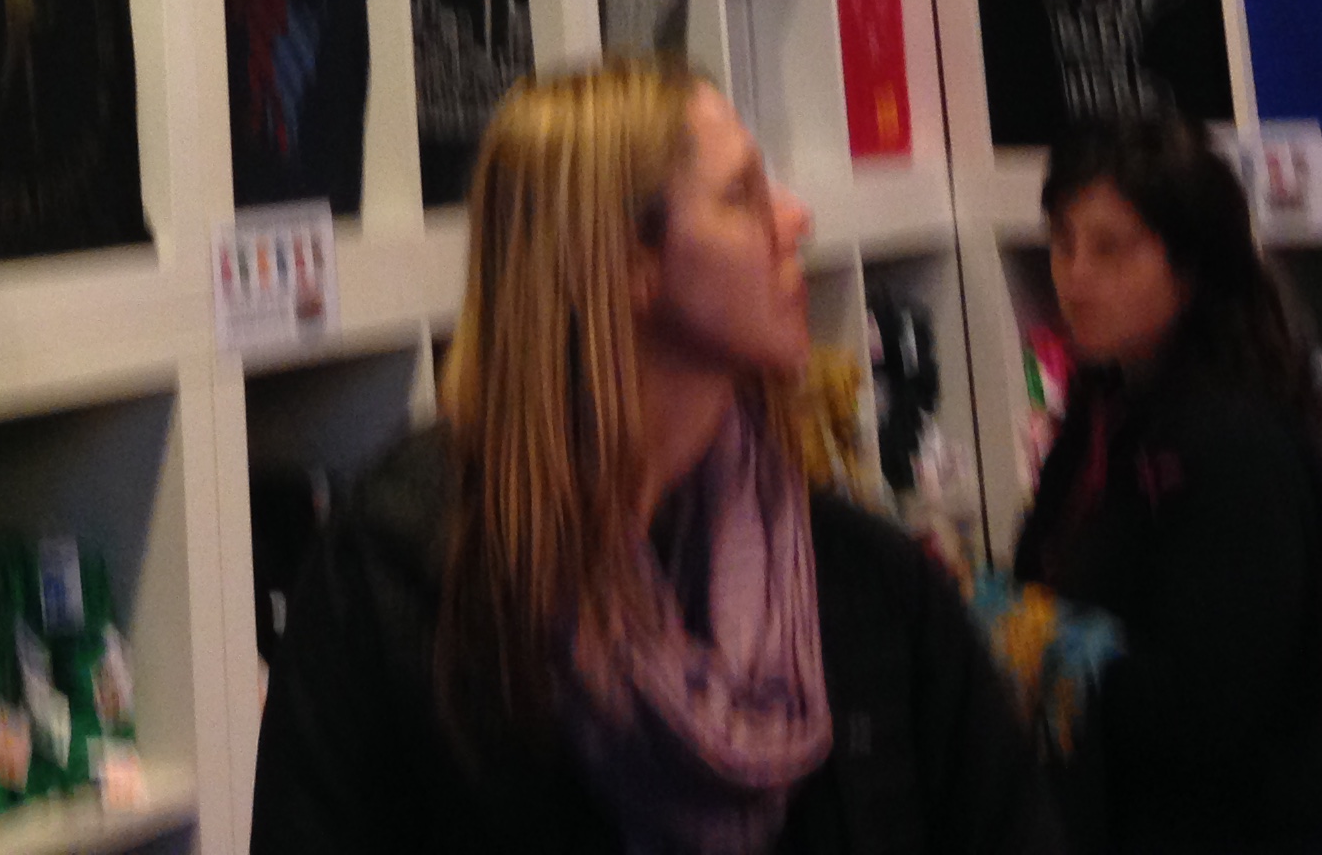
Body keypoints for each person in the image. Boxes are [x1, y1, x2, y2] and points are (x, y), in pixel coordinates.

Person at [253, 57, 1056, 853]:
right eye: (741, 196)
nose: (796, 219)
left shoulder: (861, 583)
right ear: (624, 262)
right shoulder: (401, 585)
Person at [1011, 114, 1322, 853]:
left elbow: (1209, 713)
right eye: (1062, 243)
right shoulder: (1107, 403)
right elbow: (1040, 575)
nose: (1074, 277)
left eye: (1110, 248)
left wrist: (1044, 650)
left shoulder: (1235, 442)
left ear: (1189, 268)